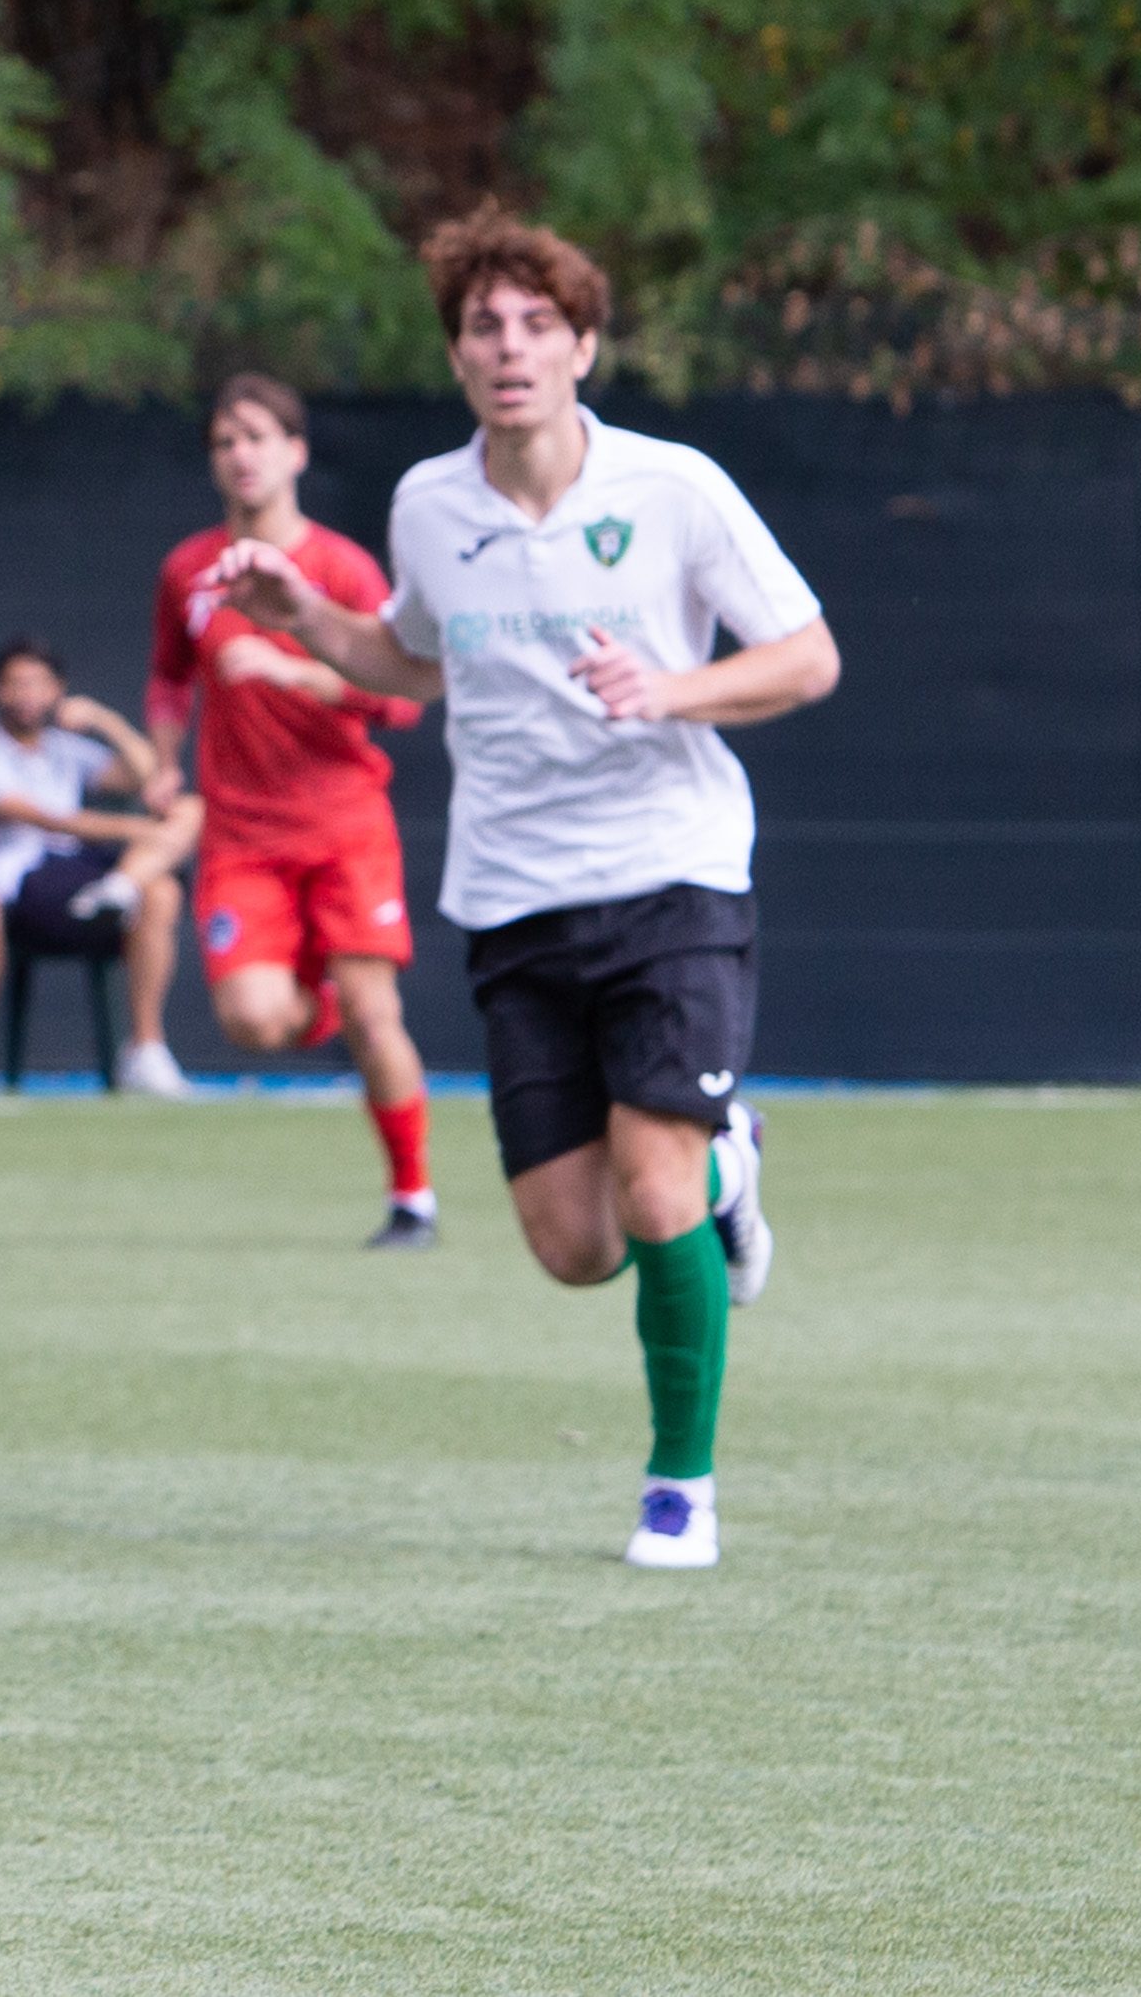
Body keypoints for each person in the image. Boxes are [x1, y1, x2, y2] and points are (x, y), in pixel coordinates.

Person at [210, 206, 835, 1572]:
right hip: (512, 900)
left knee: (653, 1181)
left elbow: (807, 658)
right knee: (571, 1242)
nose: (510, 348)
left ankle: (682, 1486)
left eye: (537, 325)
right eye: (484, 326)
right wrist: (296, 616)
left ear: (584, 345)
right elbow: (405, 658)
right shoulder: (430, 505)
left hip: (671, 876)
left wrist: (674, 689)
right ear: (457, 355)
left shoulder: (674, 488)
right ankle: (737, 1159)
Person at [152, 372, 441, 1242]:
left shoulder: (339, 566)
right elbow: (169, 677)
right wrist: (165, 762)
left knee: (376, 1013)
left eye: (257, 436)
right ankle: (319, 999)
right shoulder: (187, 570)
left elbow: (401, 699)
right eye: (225, 440)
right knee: (252, 1019)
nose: (241, 454)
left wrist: (298, 669)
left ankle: (413, 1198)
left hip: (344, 824)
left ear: (296, 452)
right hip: (241, 834)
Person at [0, 642, 201, 1098]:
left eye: (37, 683)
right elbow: (52, 819)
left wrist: (102, 719)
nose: (26, 694)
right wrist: (134, 829)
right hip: (26, 890)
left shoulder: (66, 749)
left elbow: (152, 778)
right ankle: (120, 887)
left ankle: (146, 1049)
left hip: (81, 879)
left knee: (179, 845)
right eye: (15, 683)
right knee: (162, 866)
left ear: (57, 691)